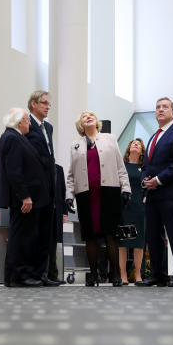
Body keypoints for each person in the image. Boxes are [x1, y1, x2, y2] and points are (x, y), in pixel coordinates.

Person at [65, 111, 131, 287]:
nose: (88, 116)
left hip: (109, 190)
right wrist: (69, 195)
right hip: (85, 194)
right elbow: (71, 174)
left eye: (91, 114)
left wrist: (126, 188)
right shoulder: (75, 145)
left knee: (110, 234)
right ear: (80, 124)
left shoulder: (110, 138)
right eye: (84, 115)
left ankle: (115, 273)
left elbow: (120, 165)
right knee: (90, 236)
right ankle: (93, 275)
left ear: (96, 121)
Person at [136, 98, 173, 288]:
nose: (161, 110)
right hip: (152, 194)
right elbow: (146, 164)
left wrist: (158, 180)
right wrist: (145, 179)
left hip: (170, 191)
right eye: (158, 107)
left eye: (165, 107)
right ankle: (158, 275)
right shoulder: (153, 137)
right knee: (154, 235)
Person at [0, 108, 52, 287]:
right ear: (19, 122)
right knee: (20, 237)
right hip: (22, 199)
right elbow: (14, 171)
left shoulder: (17, 137)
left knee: (24, 236)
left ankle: (19, 275)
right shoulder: (12, 138)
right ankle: (17, 276)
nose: (30, 123)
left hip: (25, 197)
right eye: (28, 120)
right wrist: (25, 196)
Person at [26, 90, 58, 287]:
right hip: (33, 187)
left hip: (49, 186)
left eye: (49, 104)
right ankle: (29, 273)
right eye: (44, 103)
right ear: (33, 104)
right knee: (33, 232)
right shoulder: (26, 125)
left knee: (46, 233)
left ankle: (41, 273)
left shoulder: (49, 127)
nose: (47, 107)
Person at [119, 139, 147, 285]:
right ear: (129, 148)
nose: (135, 144)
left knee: (138, 241)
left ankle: (137, 274)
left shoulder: (144, 167)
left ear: (142, 151)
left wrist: (145, 198)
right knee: (123, 241)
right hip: (124, 206)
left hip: (139, 206)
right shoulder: (121, 166)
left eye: (139, 144)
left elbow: (147, 184)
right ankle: (123, 274)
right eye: (133, 143)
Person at [47, 165, 68, 285]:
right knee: (44, 242)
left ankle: (53, 274)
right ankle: (44, 273)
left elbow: (63, 191)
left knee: (53, 243)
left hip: (57, 210)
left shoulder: (59, 169)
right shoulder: (41, 166)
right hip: (44, 209)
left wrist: (64, 212)